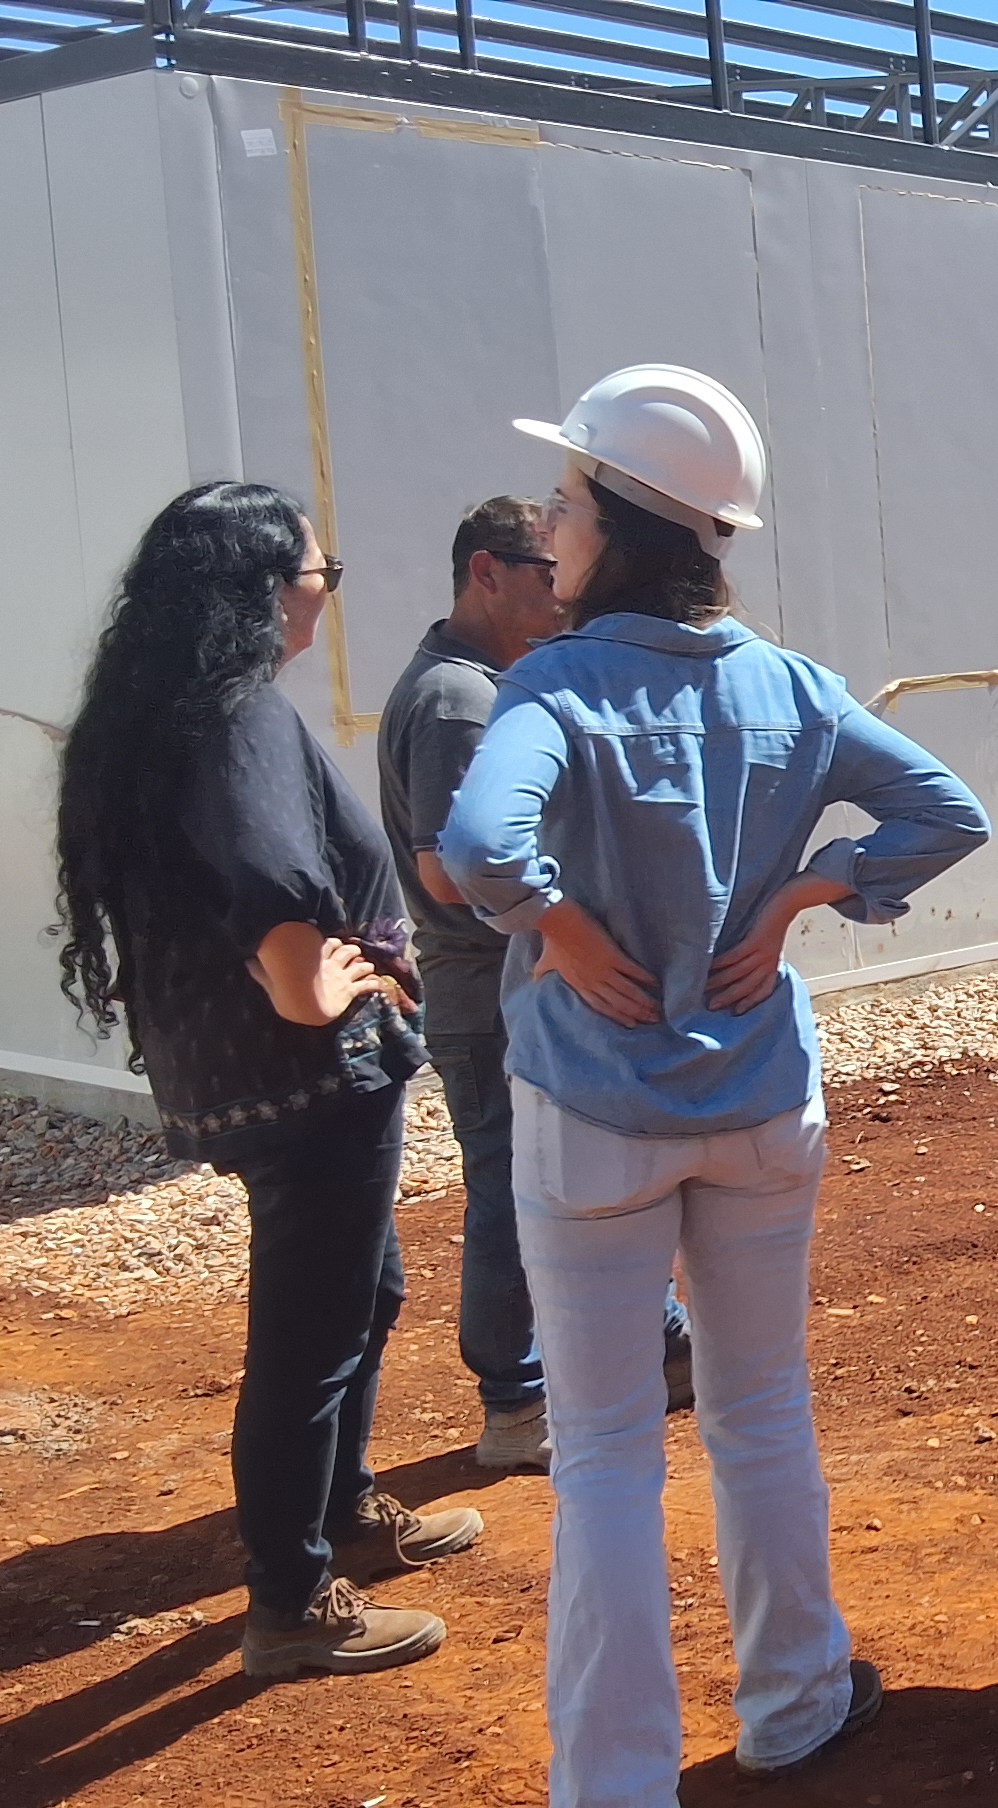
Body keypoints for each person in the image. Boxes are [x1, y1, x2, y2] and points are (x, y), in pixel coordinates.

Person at [440, 364, 988, 1808]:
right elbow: (952, 811)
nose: (550, 525)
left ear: (620, 515)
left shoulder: (553, 685)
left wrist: (556, 927)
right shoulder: (789, 687)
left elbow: (483, 846)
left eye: (565, 498)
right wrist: (814, 887)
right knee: (761, 1412)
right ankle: (795, 1703)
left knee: (608, 1454)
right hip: (759, 1106)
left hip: (596, 1117)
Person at [53, 482, 482, 1679]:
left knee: (366, 1295)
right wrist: (322, 985)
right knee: (312, 1333)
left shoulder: (171, 715)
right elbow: (269, 887)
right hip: (306, 1081)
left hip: (244, 1078)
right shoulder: (237, 721)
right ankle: (292, 1600)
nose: (324, 595)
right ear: (260, 593)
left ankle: (342, 1514)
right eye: (318, 574)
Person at [379, 496, 693, 1471]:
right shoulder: (458, 704)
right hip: (495, 998)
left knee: (586, 1173)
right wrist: (570, 934)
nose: (565, 593)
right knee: (513, 1194)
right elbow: (447, 868)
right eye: (544, 571)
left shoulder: (484, 686)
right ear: (486, 571)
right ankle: (515, 1400)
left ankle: (665, 1347)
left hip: (517, 989)